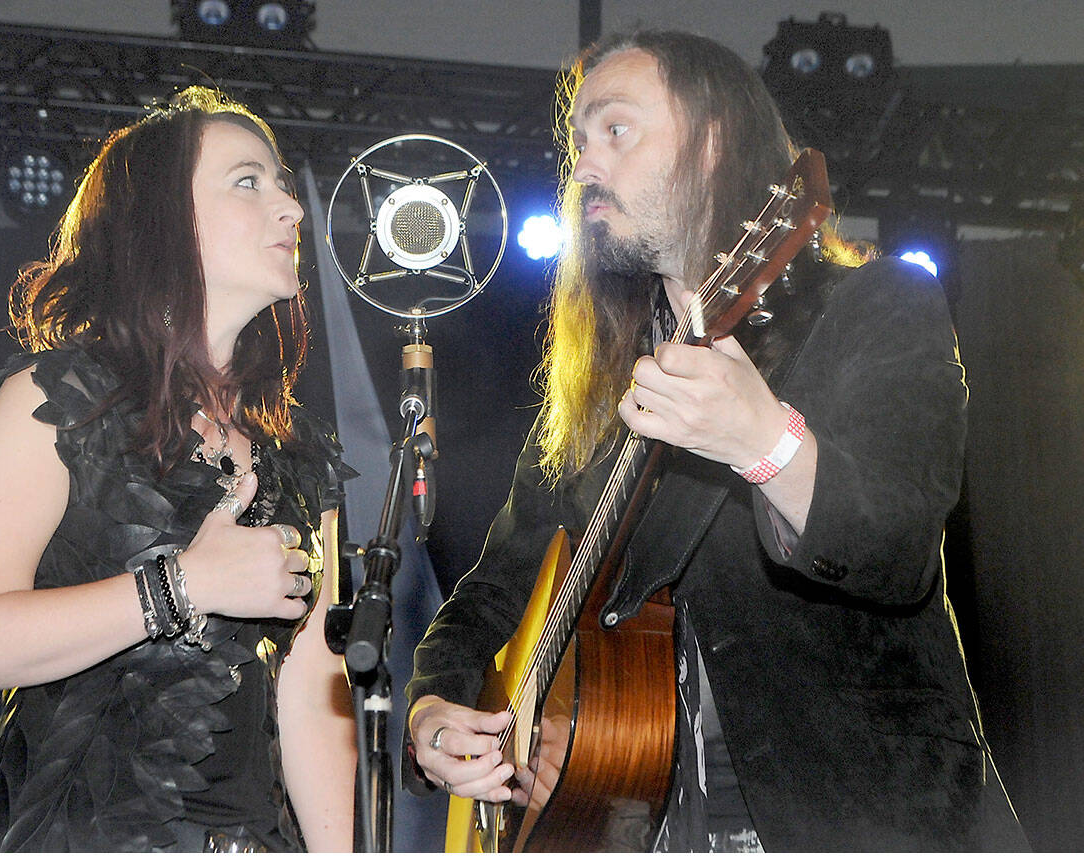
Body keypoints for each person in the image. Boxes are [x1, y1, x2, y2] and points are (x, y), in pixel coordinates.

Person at [405, 30, 1028, 851]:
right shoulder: (602, 392)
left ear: (712, 143)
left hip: (857, 816)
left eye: (616, 131)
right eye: (577, 143)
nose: (584, 166)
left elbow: (894, 548)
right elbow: (483, 603)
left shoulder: (876, 305)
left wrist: (761, 437)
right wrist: (434, 711)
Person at [0, 86, 356, 852]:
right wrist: (181, 586)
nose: (290, 208)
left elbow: (311, 695)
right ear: (160, 220)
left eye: (284, 184)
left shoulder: (298, 455)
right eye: (248, 181)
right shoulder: (56, 400)